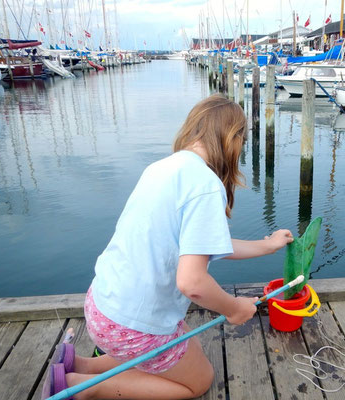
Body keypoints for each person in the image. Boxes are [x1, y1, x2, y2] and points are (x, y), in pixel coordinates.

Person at [42, 94, 294, 400]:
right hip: (130, 324)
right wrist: (234, 308)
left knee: (192, 347)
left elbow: (204, 243)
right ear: (234, 139)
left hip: (103, 305)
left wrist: (266, 246)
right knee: (200, 381)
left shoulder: (164, 167)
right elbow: (192, 283)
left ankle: (79, 365)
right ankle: (80, 389)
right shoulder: (205, 185)